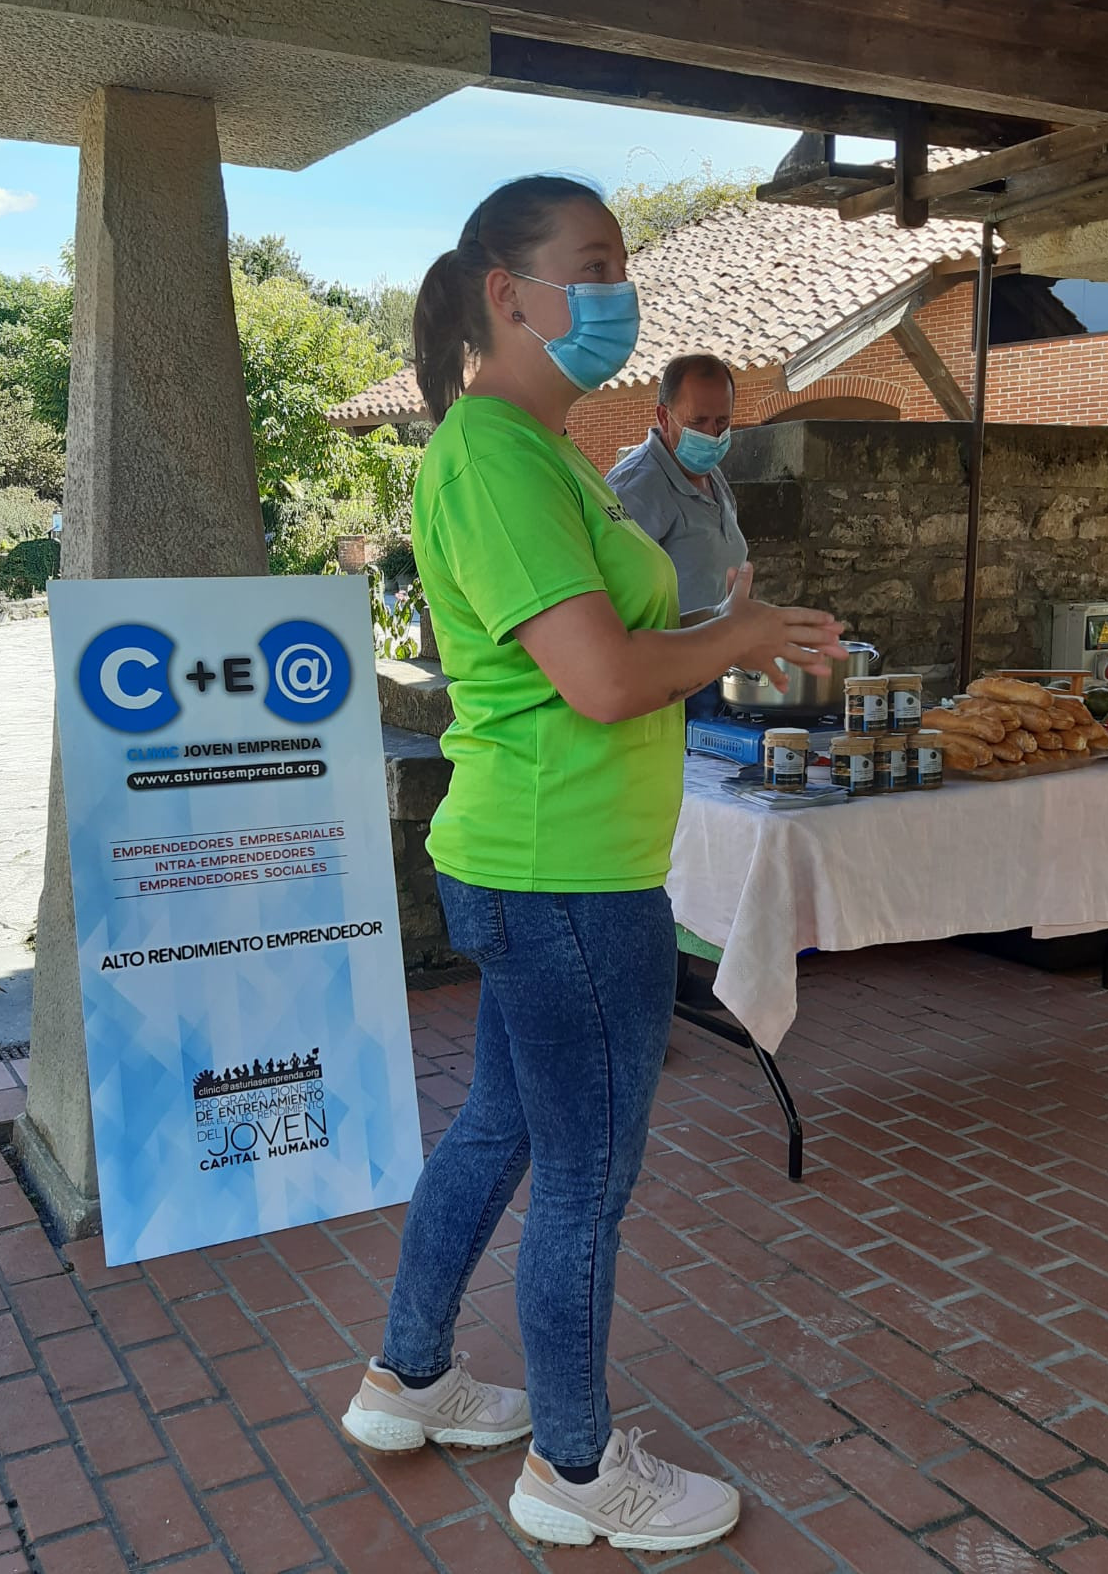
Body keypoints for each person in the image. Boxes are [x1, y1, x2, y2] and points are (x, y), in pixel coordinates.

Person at [340, 175, 845, 1554]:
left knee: (505, 1129)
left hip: (546, 857)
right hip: (566, 875)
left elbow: (603, 650)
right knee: (584, 1176)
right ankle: (572, 1466)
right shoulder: (496, 455)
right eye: (596, 262)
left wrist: (730, 624)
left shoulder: (546, 450)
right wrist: (733, 645)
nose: (621, 290)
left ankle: (410, 1374)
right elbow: (604, 678)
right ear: (507, 293)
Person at [606, 353, 745, 616]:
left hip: (719, 652)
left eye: (722, 422)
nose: (712, 436)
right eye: (697, 422)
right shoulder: (634, 490)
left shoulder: (711, 475)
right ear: (663, 416)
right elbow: (615, 608)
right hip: (667, 655)